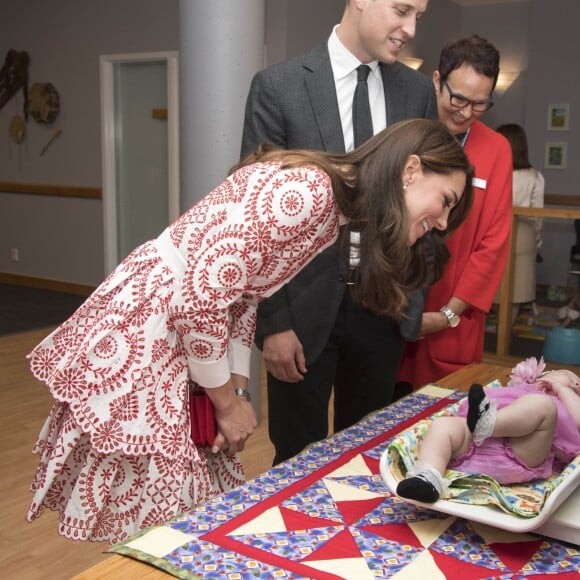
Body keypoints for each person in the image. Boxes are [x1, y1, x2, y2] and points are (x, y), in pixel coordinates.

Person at [26, 119, 473, 542]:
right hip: (155, 328)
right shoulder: (312, 191)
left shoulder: (333, 203)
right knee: (164, 513)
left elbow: (244, 296)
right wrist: (225, 403)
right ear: (411, 170)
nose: (441, 222)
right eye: (446, 201)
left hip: (178, 329)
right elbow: (198, 300)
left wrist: (236, 393)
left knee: (184, 508)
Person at [241, 0, 438, 465]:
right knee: (295, 460)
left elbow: (430, 204)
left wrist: (408, 305)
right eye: (402, 9)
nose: (410, 29)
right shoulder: (280, 87)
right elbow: (256, 219)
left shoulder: (416, 93)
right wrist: (274, 325)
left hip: (381, 309)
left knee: (368, 458)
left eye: (418, 18)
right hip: (301, 311)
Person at [398, 35, 513, 389]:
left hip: (451, 320)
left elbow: (493, 246)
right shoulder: (404, 132)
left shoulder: (496, 149)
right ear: (437, 79)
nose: (466, 112)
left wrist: (449, 314)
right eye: (459, 98)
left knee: (446, 428)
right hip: (391, 311)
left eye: (480, 104)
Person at [396, 357, 580, 503]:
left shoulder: (553, 402)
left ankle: (489, 422)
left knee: (543, 406)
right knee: (444, 425)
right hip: (475, 446)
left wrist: (564, 390)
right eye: (571, 378)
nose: (577, 384)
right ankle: (428, 478)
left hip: (521, 453)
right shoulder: (518, 392)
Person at [495, 123, 545, 325]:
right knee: (518, 287)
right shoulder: (534, 176)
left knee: (496, 284)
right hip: (524, 233)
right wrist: (538, 241)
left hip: (496, 230)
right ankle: (505, 332)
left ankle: (498, 330)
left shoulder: (496, 173)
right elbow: (538, 214)